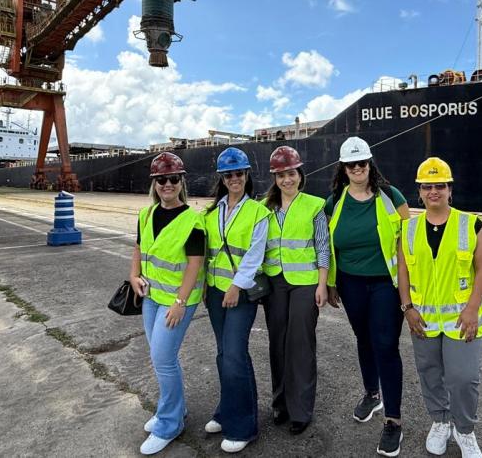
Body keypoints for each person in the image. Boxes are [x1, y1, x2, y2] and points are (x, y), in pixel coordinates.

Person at [397, 157, 482, 458]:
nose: (433, 191)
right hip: (422, 319)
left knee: (463, 378)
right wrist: (407, 308)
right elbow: (403, 271)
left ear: (450, 189)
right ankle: (440, 422)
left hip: (463, 320)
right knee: (429, 373)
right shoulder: (408, 229)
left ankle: (464, 430)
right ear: (420, 191)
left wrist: (473, 308)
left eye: (440, 185)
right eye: (427, 186)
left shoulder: (470, 223)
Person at [325, 136, 410, 457]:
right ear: (343, 168)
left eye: (362, 163)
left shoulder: (391, 196)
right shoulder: (334, 201)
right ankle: (372, 394)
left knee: (386, 345)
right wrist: (330, 283)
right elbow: (326, 246)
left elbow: (410, 240)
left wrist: (410, 286)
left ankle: (393, 421)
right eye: (351, 164)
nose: (357, 168)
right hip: (350, 284)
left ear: (369, 164)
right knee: (363, 338)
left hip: (386, 285)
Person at [130, 152, 206, 455]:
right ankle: (175, 409)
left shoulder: (193, 219)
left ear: (181, 182)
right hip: (151, 298)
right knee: (160, 358)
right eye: (162, 179)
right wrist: (133, 275)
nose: (168, 184)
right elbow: (138, 247)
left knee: (163, 358)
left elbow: (194, 264)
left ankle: (170, 424)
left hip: (177, 301)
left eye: (174, 179)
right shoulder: (146, 214)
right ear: (154, 183)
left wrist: (180, 302)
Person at [203, 147, 270, 453]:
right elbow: (207, 254)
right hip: (215, 292)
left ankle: (243, 426)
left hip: (240, 294)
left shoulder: (258, 212)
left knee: (233, 354)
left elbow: (255, 255)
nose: (234, 179)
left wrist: (236, 286)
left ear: (246, 176)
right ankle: (226, 409)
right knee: (223, 354)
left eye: (239, 174)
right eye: (229, 175)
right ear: (222, 178)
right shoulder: (212, 213)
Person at [260, 146, 331, 435]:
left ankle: (301, 410)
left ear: (300, 175)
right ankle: (281, 404)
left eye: (291, 173)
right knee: (277, 342)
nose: (286, 180)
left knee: (300, 345)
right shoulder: (264, 208)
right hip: (274, 282)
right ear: (275, 178)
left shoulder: (314, 205)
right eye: (280, 175)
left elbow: (323, 245)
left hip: (305, 283)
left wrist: (323, 284)